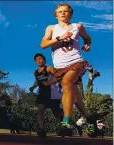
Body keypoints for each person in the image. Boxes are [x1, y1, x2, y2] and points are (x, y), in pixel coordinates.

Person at [40, 3, 98, 136]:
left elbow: (87, 38)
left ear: (70, 14)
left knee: (66, 82)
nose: (63, 13)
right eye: (60, 11)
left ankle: (66, 123)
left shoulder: (78, 27)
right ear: (56, 15)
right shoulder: (51, 28)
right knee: (75, 98)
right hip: (60, 67)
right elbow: (43, 44)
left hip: (76, 62)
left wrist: (87, 44)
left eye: (66, 11)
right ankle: (89, 118)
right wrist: (60, 38)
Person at [29, 53, 63, 138]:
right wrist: (33, 87)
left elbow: (59, 76)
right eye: (36, 60)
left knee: (56, 112)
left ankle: (64, 126)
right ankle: (41, 129)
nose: (39, 61)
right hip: (42, 93)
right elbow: (37, 81)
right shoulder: (35, 72)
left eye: (40, 59)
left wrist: (49, 83)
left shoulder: (49, 68)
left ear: (44, 60)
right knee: (40, 109)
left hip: (52, 92)